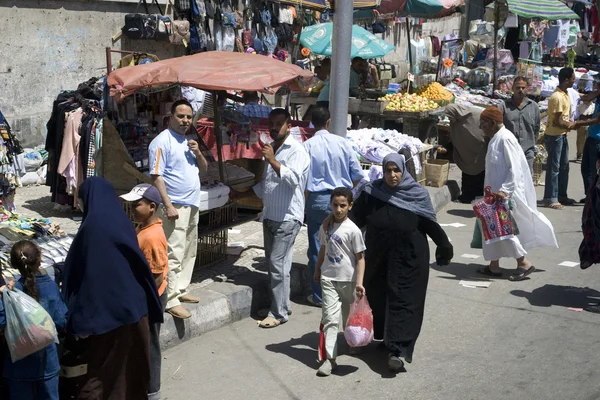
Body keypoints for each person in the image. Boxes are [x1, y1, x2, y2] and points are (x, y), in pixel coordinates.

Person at [345, 153, 453, 372]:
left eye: (396, 170)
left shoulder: (417, 194)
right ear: (382, 171)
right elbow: (352, 221)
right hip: (377, 259)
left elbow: (430, 224)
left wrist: (444, 246)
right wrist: (333, 226)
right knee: (375, 298)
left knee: (404, 302)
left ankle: (398, 350)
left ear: (404, 171)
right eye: (388, 170)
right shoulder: (372, 193)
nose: (392, 175)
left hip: (409, 259)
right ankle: (375, 337)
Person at [60, 177, 163, 400]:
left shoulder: (92, 227)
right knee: (130, 373)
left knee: (99, 377)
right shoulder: (122, 222)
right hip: (135, 311)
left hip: (105, 318)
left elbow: (80, 275)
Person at [476, 107, 558, 281]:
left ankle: (523, 263)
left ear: (491, 123)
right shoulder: (495, 139)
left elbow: (516, 168)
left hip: (504, 196)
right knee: (492, 229)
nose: (480, 126)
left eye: (482, 123)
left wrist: (505, 190)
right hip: (494, 195)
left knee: (504, 230)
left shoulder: (506, 139)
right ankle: (494, 265)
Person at [149, 99, 208, 319]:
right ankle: (170, 298)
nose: (185, 121)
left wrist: (199, 152)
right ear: (170, 117)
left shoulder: (188, 141)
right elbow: (156, 176)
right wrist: (167, 204)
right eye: (181, 116)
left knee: (189, 248)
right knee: (173, 252)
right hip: (175, 205)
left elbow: (204, 168)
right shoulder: (161, 142)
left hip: (191, 203)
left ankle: (181, 289)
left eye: (189, 117)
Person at [253, 108, 310, 328]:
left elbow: (293, 179)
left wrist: (273, 160)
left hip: (288, 217)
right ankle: (280, 307)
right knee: (278, 265)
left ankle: (278, 314)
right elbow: (268, 184)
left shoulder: (296, 151)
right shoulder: (272, 148)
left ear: (289, 125)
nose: (275, 127)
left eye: (279, 123)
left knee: (277, 264)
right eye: (272, 124)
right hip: (270, 215)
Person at [303, 106, 365, 307]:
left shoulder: (307, 146)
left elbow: (302, 179)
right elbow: (357, 175)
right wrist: (345, 196)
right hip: (342, 199)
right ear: (329, 122)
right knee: (346, 247)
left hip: (317, 200)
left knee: (317, 247)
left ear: (312, 123)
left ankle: (320, 296)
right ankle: (345, 292)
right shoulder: (343, 144)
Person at [0, 241, 67, 400]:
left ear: (14, 264)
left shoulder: (10, 292)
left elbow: (2, 320)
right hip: (47, 364)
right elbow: (60, 320)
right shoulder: (50, 287)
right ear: (39, 259)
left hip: (18, 367)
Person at [120, 184, 168, 400]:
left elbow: (156, 275)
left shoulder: (152, 237)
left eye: (136, 205)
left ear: (151, 207)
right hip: (145, 296)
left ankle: (152, 390)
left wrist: (145, 302)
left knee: (150, 344)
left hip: (151, 298)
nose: (132, 208)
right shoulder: (142, 228)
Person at [313, 187, 366, 377]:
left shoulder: (353, 230)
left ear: (350, 206)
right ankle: (330, 359)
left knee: (349, 317)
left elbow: (360, 258)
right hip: (329, 278)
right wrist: (318, 268)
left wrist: (359, 283)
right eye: (335, 205)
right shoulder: (325, 227)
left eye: (343, 205)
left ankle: (352, 342)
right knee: (330, 318)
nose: (338, 209)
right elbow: (323, 249)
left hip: (349, 280)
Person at [543, 68, 579, 209]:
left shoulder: (565, 94)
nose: (574, 80)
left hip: (562, 135)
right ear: (566, 80)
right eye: (573, 78)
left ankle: (561, 195)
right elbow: (558, 121)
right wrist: (572, 125)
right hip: (554, 136)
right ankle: (550, 198)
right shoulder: (557, 97)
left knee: (564, 167)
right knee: (554, 167)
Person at [440, 103, 488, 203]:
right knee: (467, 176)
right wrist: (446, 147)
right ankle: (466, 197)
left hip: (480, 153)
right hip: (466, 153)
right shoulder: (455, 123)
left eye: (450, 117)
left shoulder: (476, 115)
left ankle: (478, 199)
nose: (449, 119)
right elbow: (455, 138)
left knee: (480, 176)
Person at [498, 76, 541, 175]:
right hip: (508, 152)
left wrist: (532, 144)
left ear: (527, 89)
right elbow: (497, 127)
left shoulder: (533, 107)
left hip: (527, 151)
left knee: (527, 181)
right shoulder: (503, 106)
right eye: (518, 88)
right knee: (509, 180)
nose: (520, 90)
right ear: (512, 88)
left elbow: (536, 128)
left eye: (523, 88)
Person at [579, 78, 600, 201]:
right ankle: (589, 195)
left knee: (593, 171)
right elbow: (587, 98)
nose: (594, 86)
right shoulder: (597, 97)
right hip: (591, 137)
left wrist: (579, 123)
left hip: (597, 140)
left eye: (596, 84)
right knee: (585, 168)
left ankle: (593, 197)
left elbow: (598, 120)